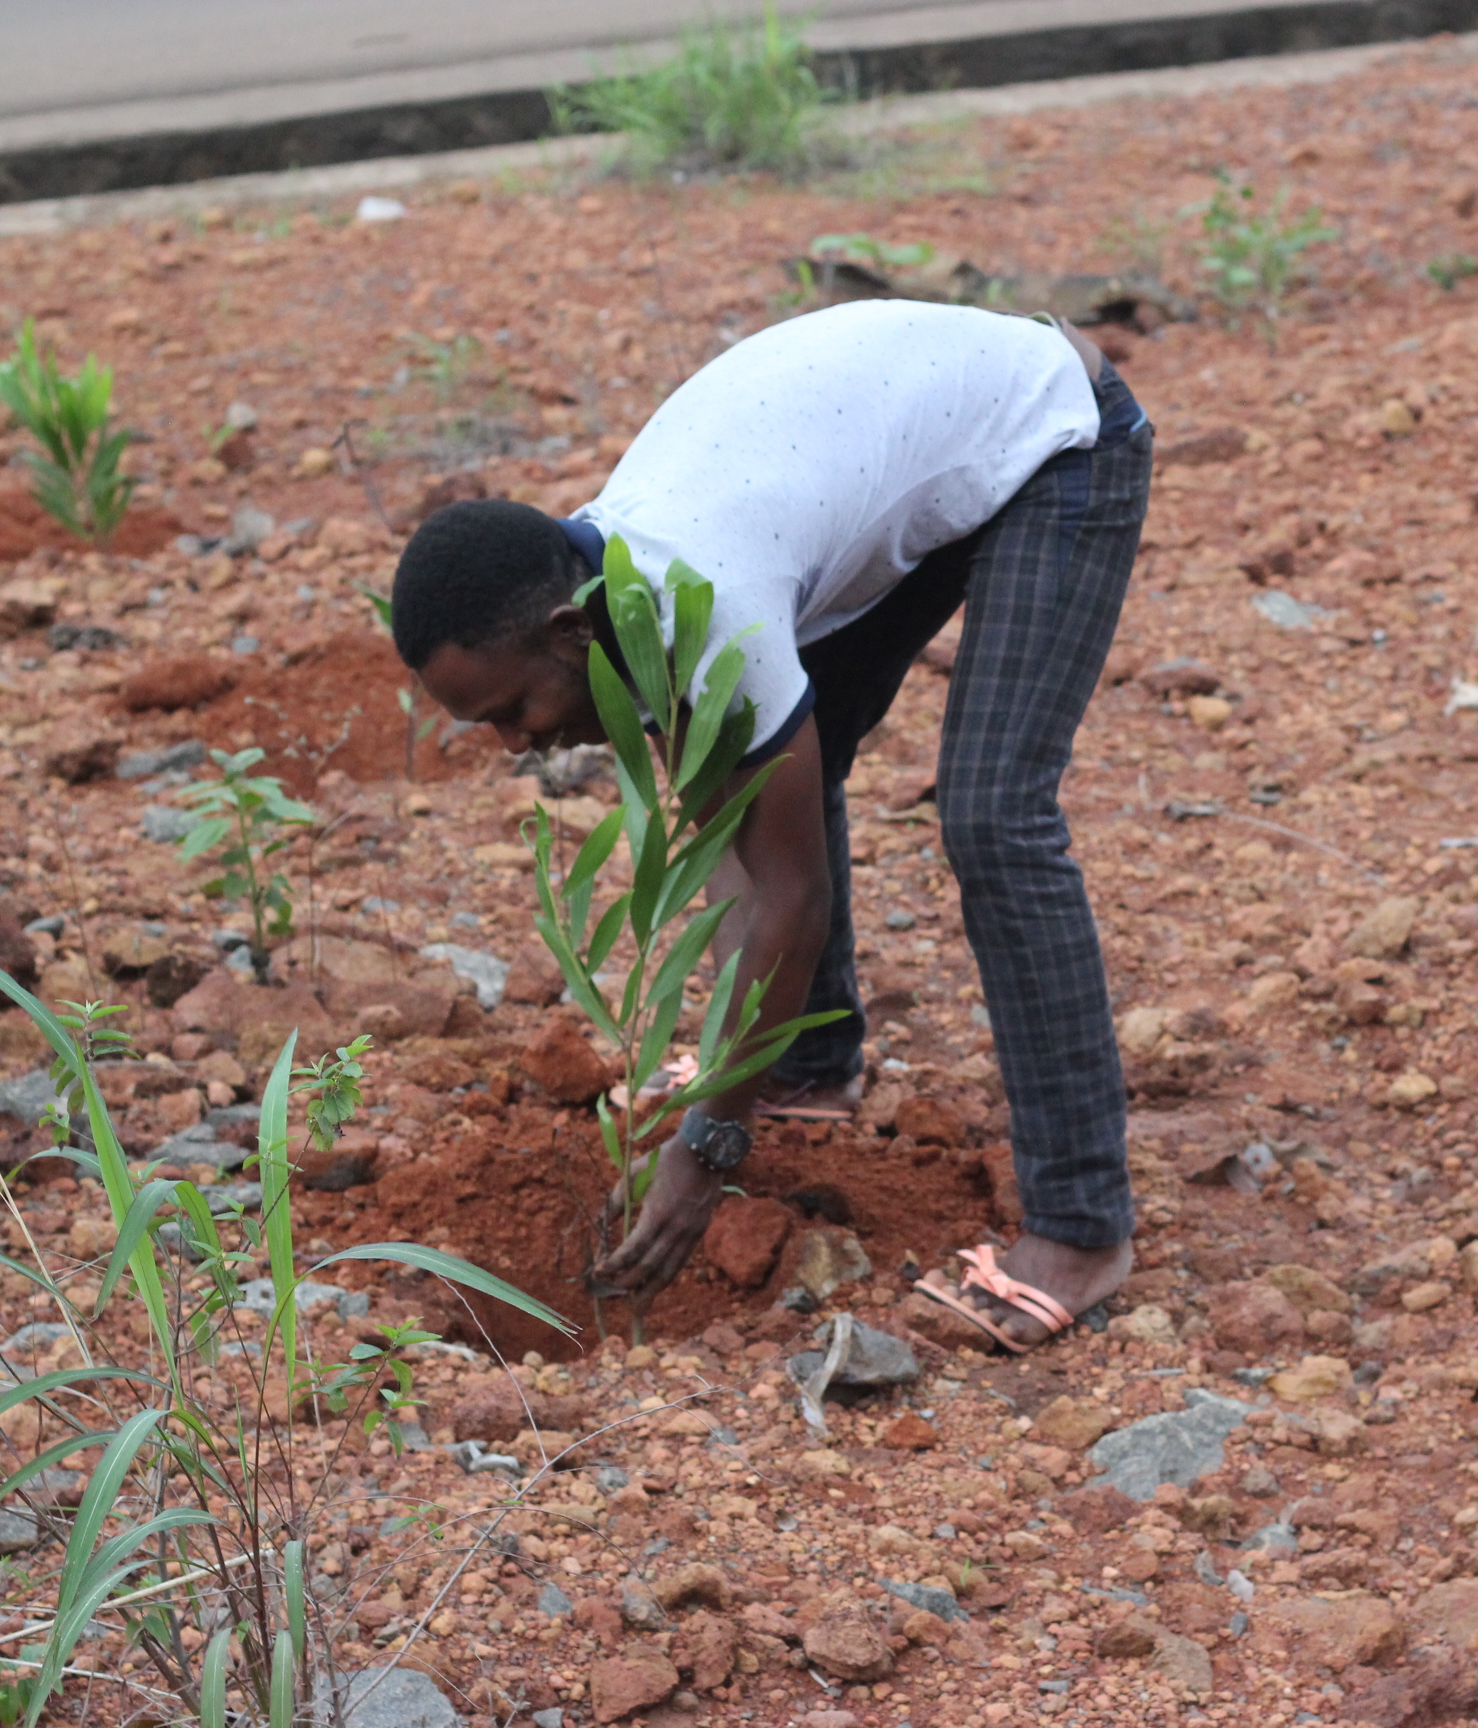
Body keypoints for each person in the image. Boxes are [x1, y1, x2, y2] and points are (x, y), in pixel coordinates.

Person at [386, 299, 1152, 1350]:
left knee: (994, 817)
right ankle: (805, 1062)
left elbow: (787, 892)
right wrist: (736, 1073)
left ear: (569, 633)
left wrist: (710, 1144)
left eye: (512, 712)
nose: (517, 745)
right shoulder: (614, 604)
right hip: (907, 436)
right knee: (793, 757)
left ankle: (1082, 1224)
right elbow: (733, 844)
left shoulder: (704, 605)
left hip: (1053, 433)